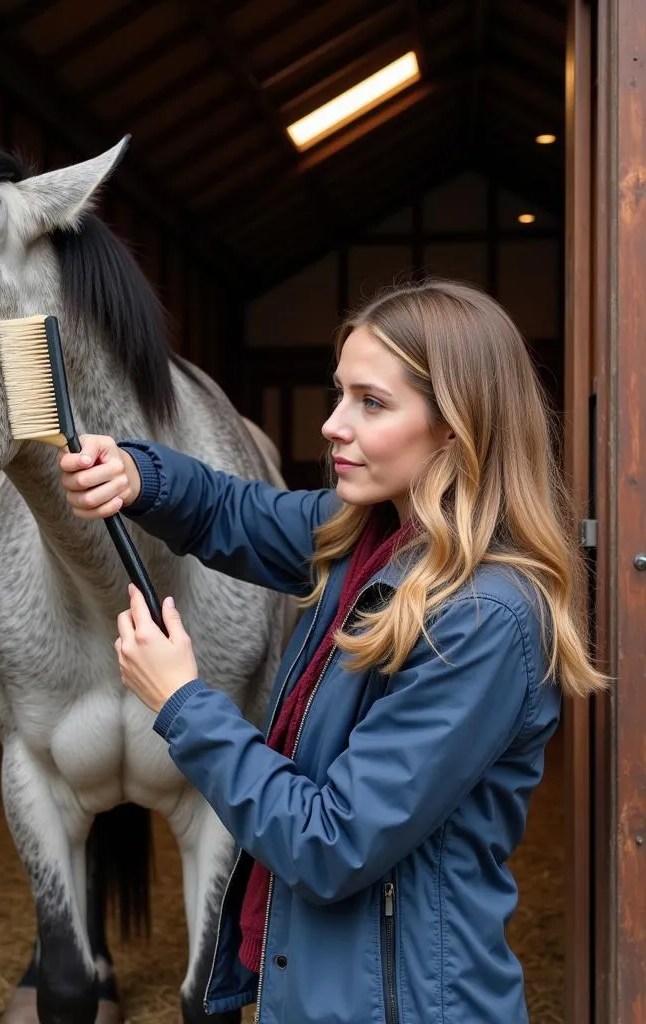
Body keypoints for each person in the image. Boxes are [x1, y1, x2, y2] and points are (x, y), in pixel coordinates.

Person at [56, 279, 606, 1023]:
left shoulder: (484, 618)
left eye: (371, 403)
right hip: (326, 988)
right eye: (339, 393)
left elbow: (331, 842)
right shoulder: (367, 538)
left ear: (455, 428)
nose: (332, 425)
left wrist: (183, 705)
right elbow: (234, 510)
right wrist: (138, 473)